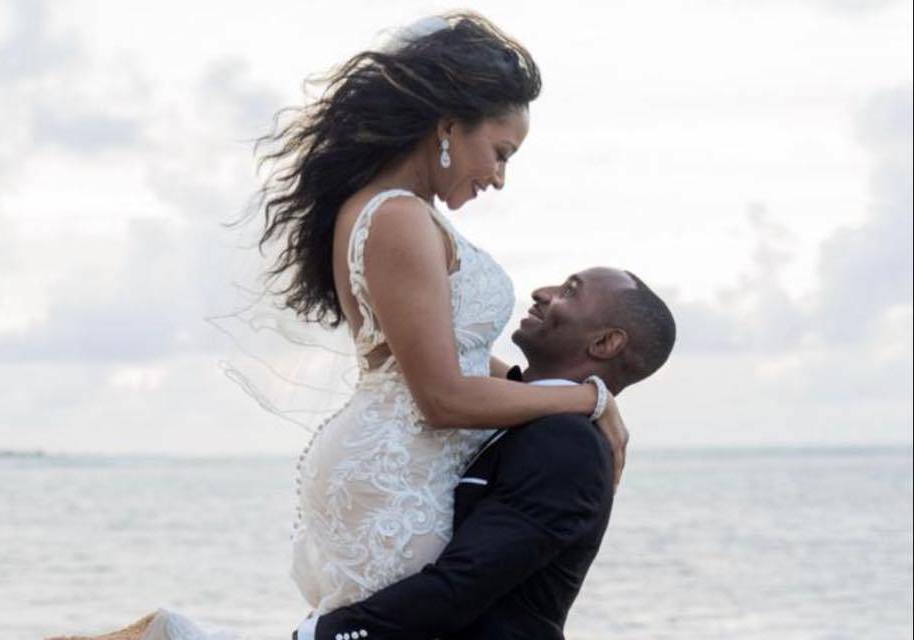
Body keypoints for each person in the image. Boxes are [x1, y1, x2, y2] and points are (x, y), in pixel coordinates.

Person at [47, 12, 630, 640]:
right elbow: (441, 396)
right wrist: (589, 398)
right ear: (450, 125)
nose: (498, 176)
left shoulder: (394, 212)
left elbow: (448, 355)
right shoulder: (399, 218)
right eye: (500, 152)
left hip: (391, 461)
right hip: (397, 473)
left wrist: (555, 395)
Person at [295, 267, 677, 640]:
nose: (542, 292)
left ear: (605, 343)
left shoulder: (567, 442)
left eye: (570, 291)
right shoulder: (530, 416)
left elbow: (464, 585)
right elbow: (445, 368)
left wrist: (326, 632)